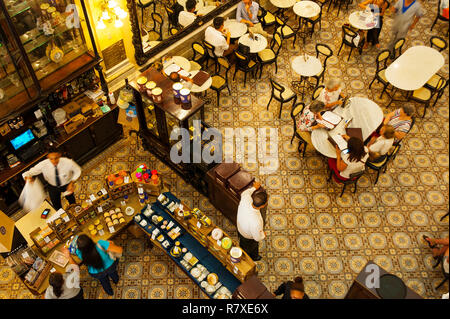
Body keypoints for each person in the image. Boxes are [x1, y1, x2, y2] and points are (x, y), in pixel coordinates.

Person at [236, 181, 267, 261]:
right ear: (263, 205)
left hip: (240, 228)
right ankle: (253, 258)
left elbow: (246, 193)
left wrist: (254, 188)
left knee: (242, 242)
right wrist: (263, 235)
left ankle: (242, 248)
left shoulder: (246, 199)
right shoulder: (256, 222)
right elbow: (257, 238)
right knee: (251, 248)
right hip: (247, 237)